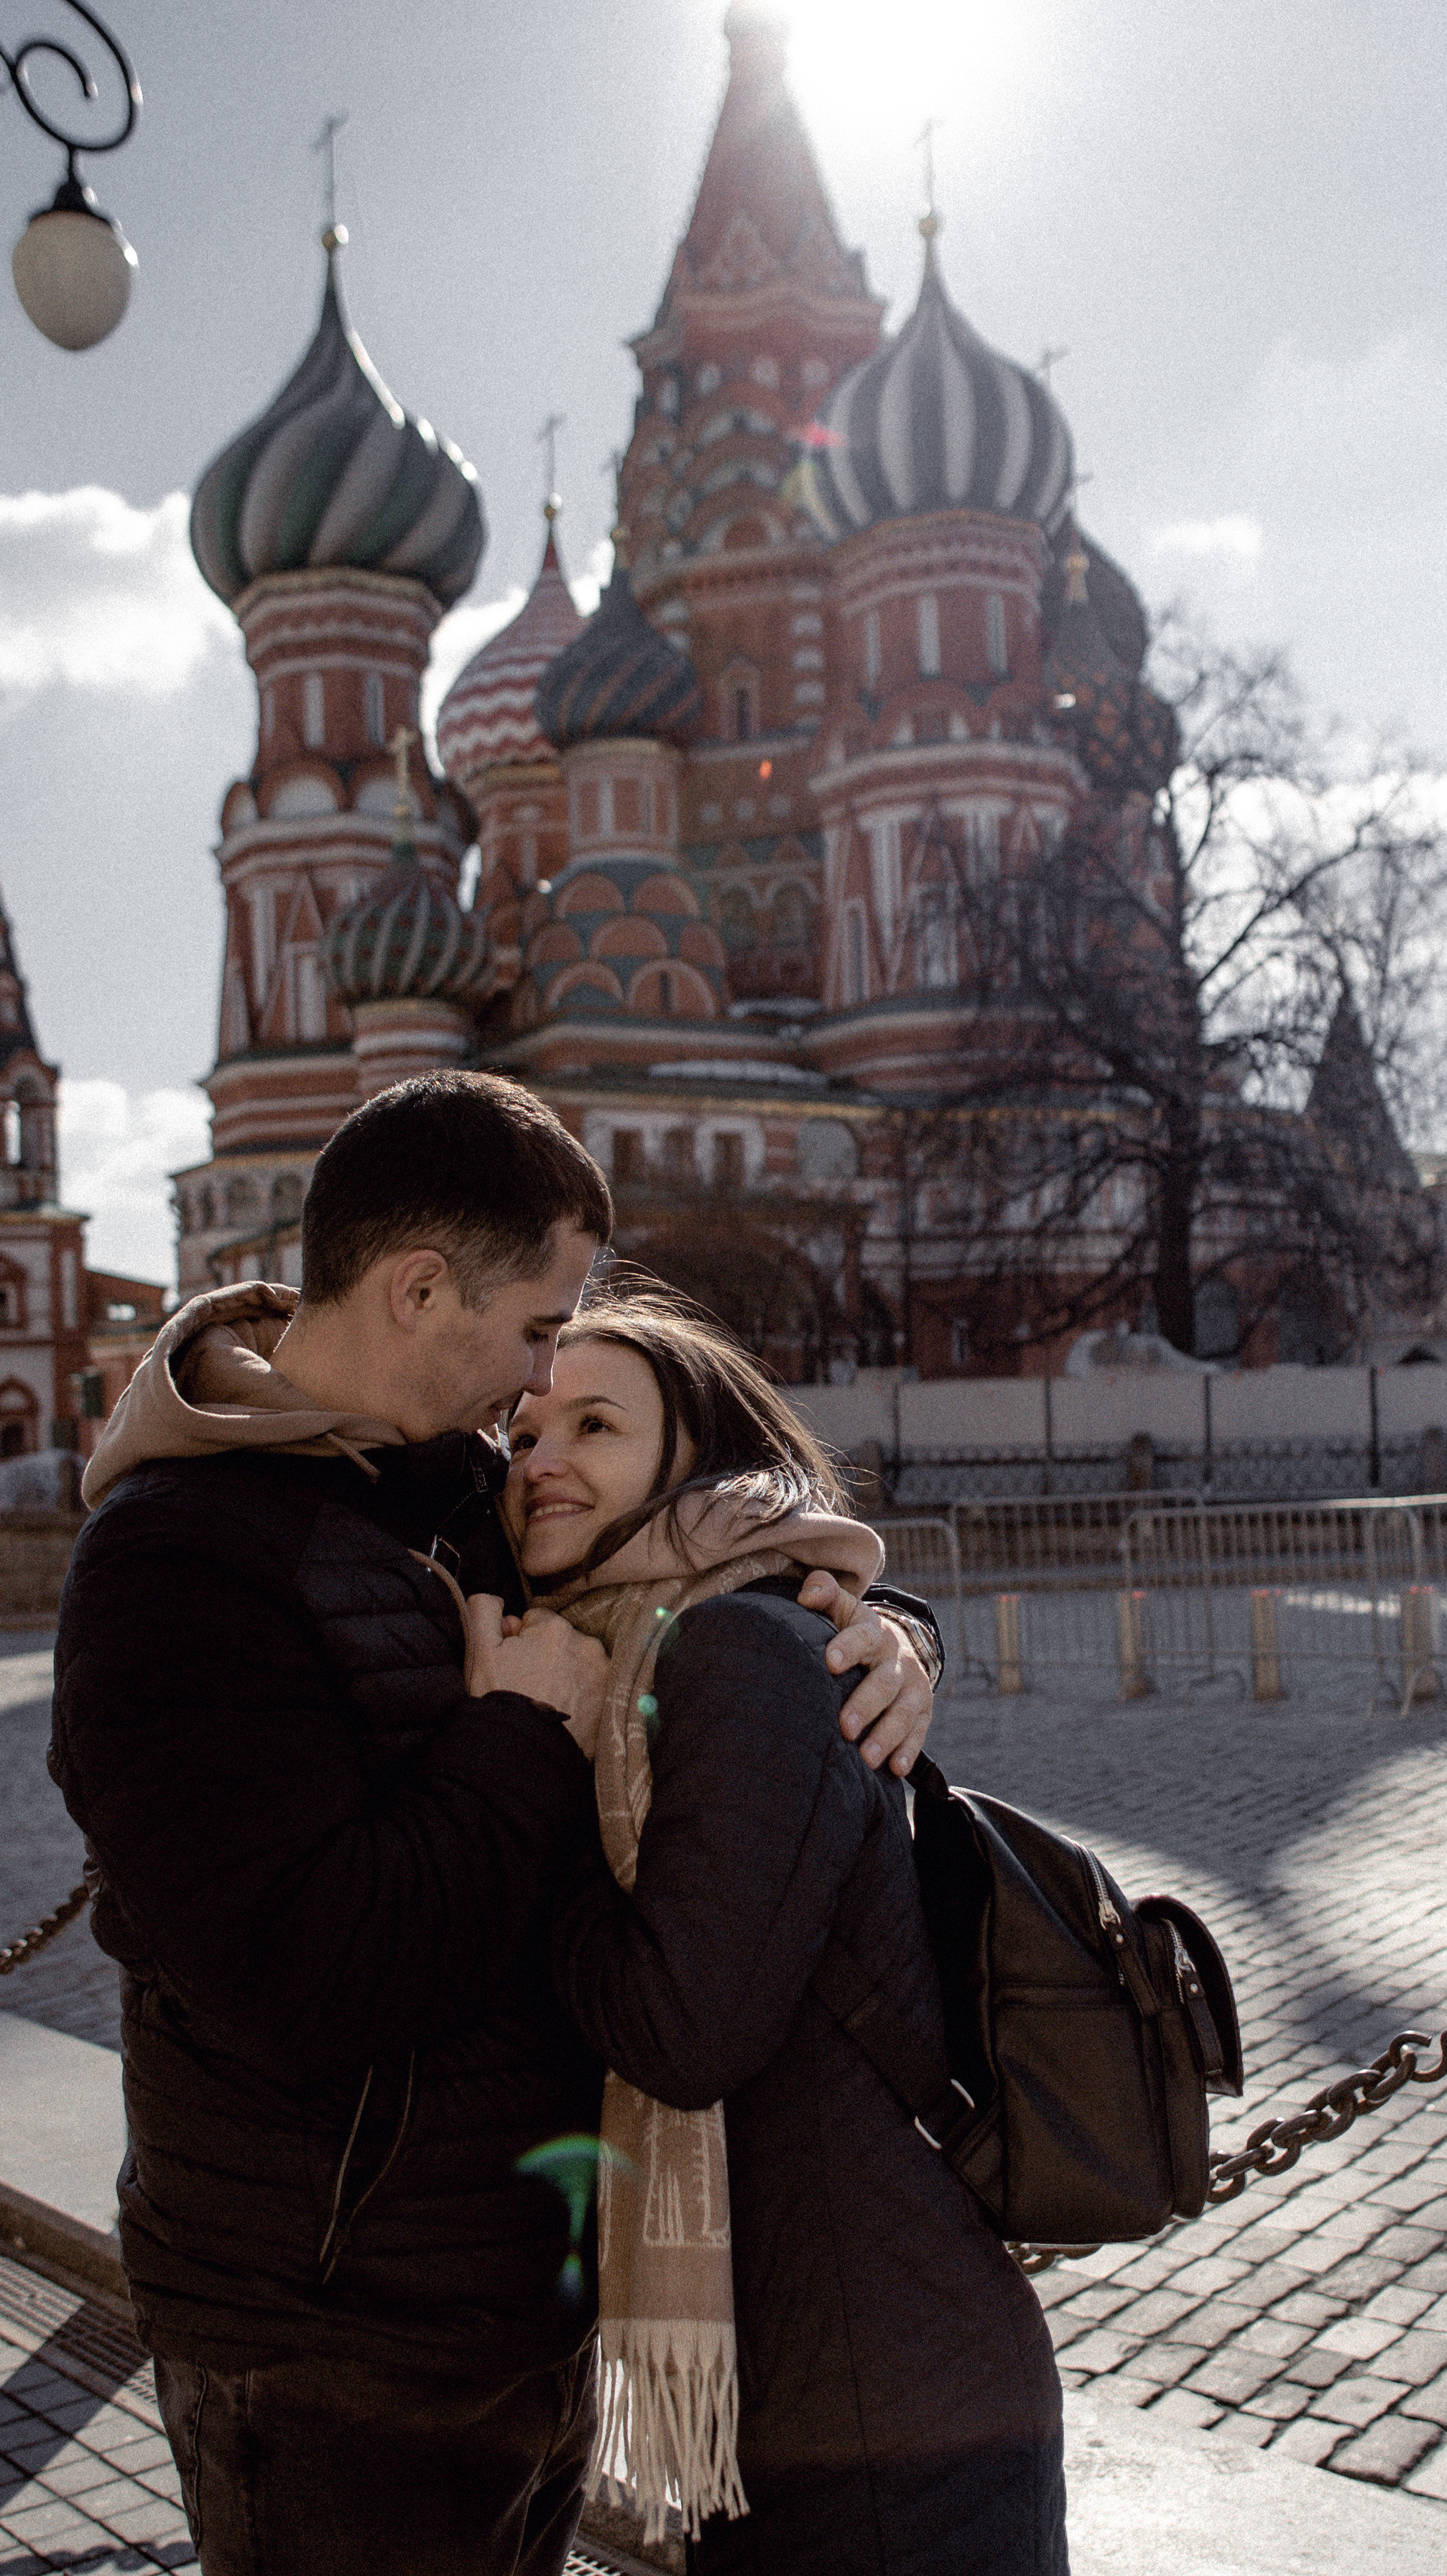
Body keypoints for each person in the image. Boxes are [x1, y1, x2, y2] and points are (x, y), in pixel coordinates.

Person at [49, 1071, 938, 2576]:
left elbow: (701, 1533)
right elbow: (310, 1974)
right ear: (415, 1285)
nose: (538, 1387)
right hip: (333, 2345)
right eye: (535, 1327)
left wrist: (875, 1635)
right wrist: (521, 1726)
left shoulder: (453, 1485)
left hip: (518, 2300)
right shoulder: (175, 1564)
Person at [494, 1281, 1068, 2576]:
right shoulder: (628, 1639)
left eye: (597, 1428)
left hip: (885, 2400)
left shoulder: (733, 1652)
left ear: (694, 1460)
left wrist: (524, 1761)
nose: (545, 1463)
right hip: (820, 2378)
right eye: (526, 1434)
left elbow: (685, 2030)